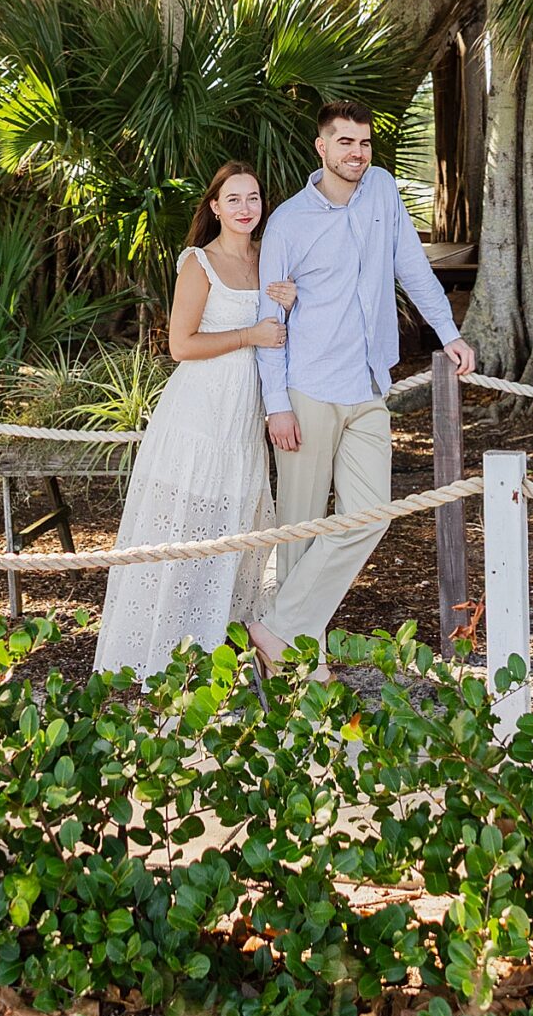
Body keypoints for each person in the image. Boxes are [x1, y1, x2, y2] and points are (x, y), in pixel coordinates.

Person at [247, 100, 475, 670]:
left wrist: (448, 333)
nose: (357, 153)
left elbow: (413, 269)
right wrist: (277, 405)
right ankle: (300, 665)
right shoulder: (289, 222)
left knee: (369, 514)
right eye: (345, 142)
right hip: (307, 387)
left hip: (369, 385)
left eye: (365, 143)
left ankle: (278, 628)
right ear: (321, 147)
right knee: (299, 527)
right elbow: (269, 322)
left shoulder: (383, 193)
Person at [93, 162, 297, 679]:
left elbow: (282, 331)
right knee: (185, 532)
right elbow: (181, 345)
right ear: (214, 207)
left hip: (243, 423)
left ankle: (218, 661)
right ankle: (159, 662)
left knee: (233, 537)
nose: (245, 209)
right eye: (233, 200)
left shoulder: (269, 258)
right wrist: (248, 335)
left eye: (253, 199)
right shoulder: (198, 264)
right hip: (198, 417)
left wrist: (294, 305)